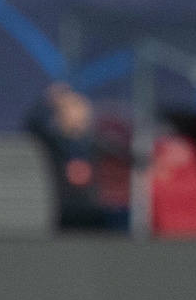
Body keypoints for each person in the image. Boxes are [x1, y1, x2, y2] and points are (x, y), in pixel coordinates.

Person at [26, 83, 127, 232]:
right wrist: (47, 102)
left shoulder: (95, 142)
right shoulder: (53, 143)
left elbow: (126, 153)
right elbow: (33, 126)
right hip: (62, 212)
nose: (75, 114)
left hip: (92, 211)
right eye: (69, 110)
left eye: (79, 109)